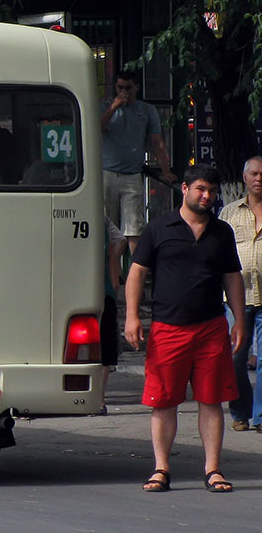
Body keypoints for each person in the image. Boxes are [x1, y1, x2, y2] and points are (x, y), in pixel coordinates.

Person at [124, 164, 245, 493]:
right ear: (185, 189)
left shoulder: (222, 232)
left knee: (212, 401)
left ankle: (213, 470)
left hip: (211, 328)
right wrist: (132, 317)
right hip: (168, 328)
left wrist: (239, 321)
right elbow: (136, 273)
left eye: (212, 191)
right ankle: (161, 469)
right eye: (201, 189)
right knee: (163, 401)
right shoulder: (159, 227)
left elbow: (232, 278)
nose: (207, 196)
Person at [101, 71, 177, 254]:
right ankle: (114, 275)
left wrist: (166, 171)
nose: (124, 91)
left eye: (128, 88)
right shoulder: (106, 106)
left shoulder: (146, 110)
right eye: (120, 87)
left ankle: (136, 272)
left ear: (136, 87)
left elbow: (157, 142)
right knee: (108, 227)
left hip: (132, 173)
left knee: (134, 227)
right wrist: (114, 107)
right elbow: (99, 127)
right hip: (107, 172)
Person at [219, 156, 262, 432]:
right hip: (237, 297)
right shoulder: (229, 213)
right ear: (245, 178)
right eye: (254, 173)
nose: (259, 178)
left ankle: (260, 416)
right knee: (235, 356)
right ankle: (241, 410)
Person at [99, 214, 127, 415]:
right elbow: (119, 241)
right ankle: (98, 399)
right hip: (103, 289)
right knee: (105, 347)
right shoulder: (100, 215)